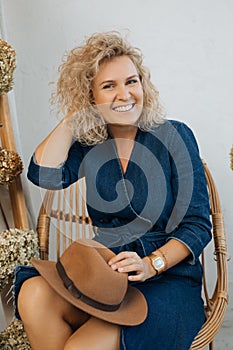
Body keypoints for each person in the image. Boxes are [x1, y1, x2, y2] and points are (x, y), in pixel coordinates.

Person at [16, 31, 212, 350]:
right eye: (109, 86)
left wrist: (151, 264)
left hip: (167, 280)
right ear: (91, 97)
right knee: (34, 293)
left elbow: (197, 225)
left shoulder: (174, 135)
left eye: (131, 81)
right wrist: (75, 118)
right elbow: (43, 173)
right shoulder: (90, 145)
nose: (125, 94)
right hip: (104, 280)